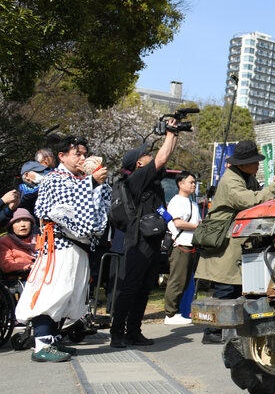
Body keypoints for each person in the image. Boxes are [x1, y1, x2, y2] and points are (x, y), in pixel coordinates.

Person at [15, 135, 110, 362]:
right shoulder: (53, 178)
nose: (82, 158)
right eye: (77, 153)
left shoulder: (80, 179)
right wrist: (92, 182)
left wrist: (98, 184)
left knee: (69, 295)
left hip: (79, 246)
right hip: (58, 245)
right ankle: (41, 343)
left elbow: (99, 209)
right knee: (52, 293)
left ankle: (54, 339)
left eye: (84, 154)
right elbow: (63, 206)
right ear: (62, 156)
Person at [195, 140, 275, 344]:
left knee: (236, 288)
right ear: (244, 163)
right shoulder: (231, 180)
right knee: (225, 287)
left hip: (236, 240)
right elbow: (250, 201)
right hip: (225, 241)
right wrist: (274, 185)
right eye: (255, 162)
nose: (258, 165)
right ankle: (213, 331)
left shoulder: (245, 177)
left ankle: (228, 330)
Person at [109, 125, 178, 348]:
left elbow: (163, 159)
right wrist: (168, 134)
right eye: (145, 154)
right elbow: (162, 157)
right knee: (130, 287)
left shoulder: (153, 181)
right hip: (137, 240)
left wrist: (175, 135)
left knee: (144, 288)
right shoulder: (136, 179)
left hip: (153, 241)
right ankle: (117, 333)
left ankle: (134, 332)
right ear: (138, 164)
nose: (151, 155)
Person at [163, 172, 200, 325]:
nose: (193, 185)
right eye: (190, 182)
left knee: (184, 280)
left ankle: (177, 312)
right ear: (180, 183)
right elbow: (177, 223)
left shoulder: (193, 203)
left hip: (191, 244)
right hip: (180, 245)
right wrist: (196, 226)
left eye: (194, 182)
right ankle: (170, 314)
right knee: (177, 280)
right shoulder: (176, 201)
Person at [0, 208, 39, 276]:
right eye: (17, 221)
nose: (23, 225)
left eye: (26, 220)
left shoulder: (39, 238)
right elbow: (7, 265)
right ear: (11, 226)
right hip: (19, 279)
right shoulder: (5, 241)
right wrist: (29, 266)